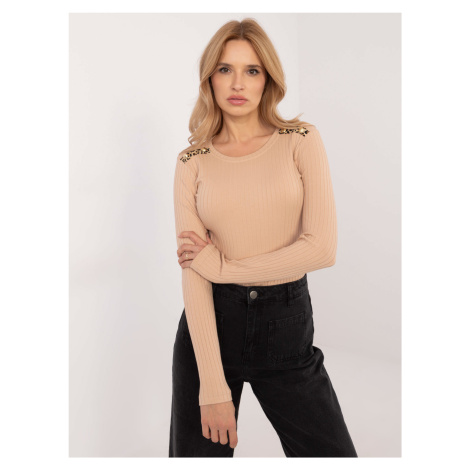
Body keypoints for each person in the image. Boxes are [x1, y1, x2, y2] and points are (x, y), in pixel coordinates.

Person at [169, 18, 358, 458]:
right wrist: (211, 386)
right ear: (210, 79)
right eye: (225, 69)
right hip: (209, 330)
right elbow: (194, 271)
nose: (238, 83)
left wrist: (226, 268)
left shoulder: (300, 140)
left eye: (251, 70)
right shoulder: (192, 160)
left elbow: (322, 248)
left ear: (267, 78)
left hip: (286, 327)